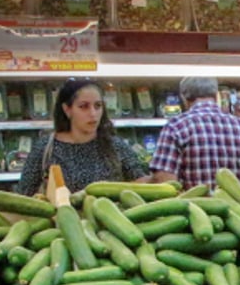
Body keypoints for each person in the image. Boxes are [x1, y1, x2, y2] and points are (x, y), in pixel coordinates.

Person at [16, 78, 148, 196]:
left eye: (98, 106)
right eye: (84, 106)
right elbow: (23, 196)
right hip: (60, 222)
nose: (93, 113)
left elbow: (141, 183)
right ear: (67, 109)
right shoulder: (45, 148)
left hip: (107, 221)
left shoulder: (115, 146)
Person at [148, 77, 240, 191]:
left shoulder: (175, 127)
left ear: (184, 97)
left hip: (194, 210)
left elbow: (164, 181)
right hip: (239, 211)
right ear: (216, 95)